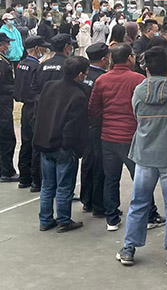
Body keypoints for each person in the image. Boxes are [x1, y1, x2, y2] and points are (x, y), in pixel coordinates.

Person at [116, 47, 167, 267]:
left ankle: (129, 248)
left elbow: (135, 114)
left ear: (147, 69)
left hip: (144, 154)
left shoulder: (138, 91)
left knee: (139, 202)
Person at [88, 44, 165, 231]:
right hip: (131, 137)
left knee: (111, 178)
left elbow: (94, 108)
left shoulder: (102, 80)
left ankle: (112, 218)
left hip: (108, 136)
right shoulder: (138, 79)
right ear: (129, 58)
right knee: (141, 177)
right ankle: (150, 215)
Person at [34, 55, 90, 233]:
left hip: (45, 142)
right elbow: (74, 127)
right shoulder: (79, 95)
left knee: (47, 185)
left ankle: (45, 219)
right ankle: (64, 220)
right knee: (64, 185)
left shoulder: (49, 86)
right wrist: (73, 148)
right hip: (63, 146)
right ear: (80, 75)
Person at [13, 36, 50, 190]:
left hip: (25, 106)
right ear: (36, 48)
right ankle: (36, 180)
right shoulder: (36, 67)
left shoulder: (21, 64)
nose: (44, 50)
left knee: (26, 142)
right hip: (35, 106)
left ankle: (24, 177)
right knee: (36, 143)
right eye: (42, 47)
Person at [80, 43, 110, 217]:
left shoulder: (84, 75)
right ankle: (99, 204)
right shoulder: (102, 79)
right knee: (99, 164)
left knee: (87, 162)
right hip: (98, 125)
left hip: (83, 125)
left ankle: (87, 200)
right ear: (104, 58)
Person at [0, 33, 18, 183]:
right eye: (6, 43)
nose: (8, 46)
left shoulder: (4, 60)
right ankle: (6, 171)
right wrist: (15, 89)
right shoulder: (1, 62)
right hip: (2, 104)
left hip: (4, 103)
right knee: (7, 138)